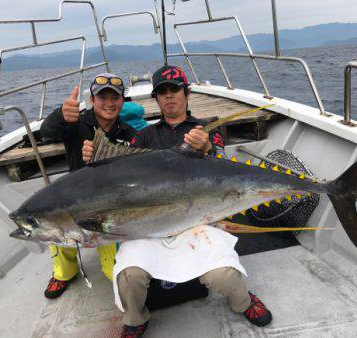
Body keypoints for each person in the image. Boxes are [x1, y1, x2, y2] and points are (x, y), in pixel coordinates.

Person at [86, 65, 272, 338]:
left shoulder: (206, 129)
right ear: (156, 98)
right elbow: (119, 170)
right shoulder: (144, 137)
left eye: (174, 89)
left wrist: (208, 148)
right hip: (151, 224)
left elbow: (226, 173)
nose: (169, 96)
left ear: (186, 93)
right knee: (129, 277)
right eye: (162, 91)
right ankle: (136, 319)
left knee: (224, 275)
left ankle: (243, 302)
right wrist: (94, 157)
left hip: (199, 218)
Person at [40, 73, 136, 299]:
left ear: (123, 101)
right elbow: (46, 132)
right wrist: (60, 116)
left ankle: (110, 260)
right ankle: (63, 274)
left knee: (113, 273)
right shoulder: (75, 123)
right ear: (92, 100)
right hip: (73, 200)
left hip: (110, 204)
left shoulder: (129, 133)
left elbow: (135, 168)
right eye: (102, 97)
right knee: (55, 232)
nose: (109, 103)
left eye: (115, 98)